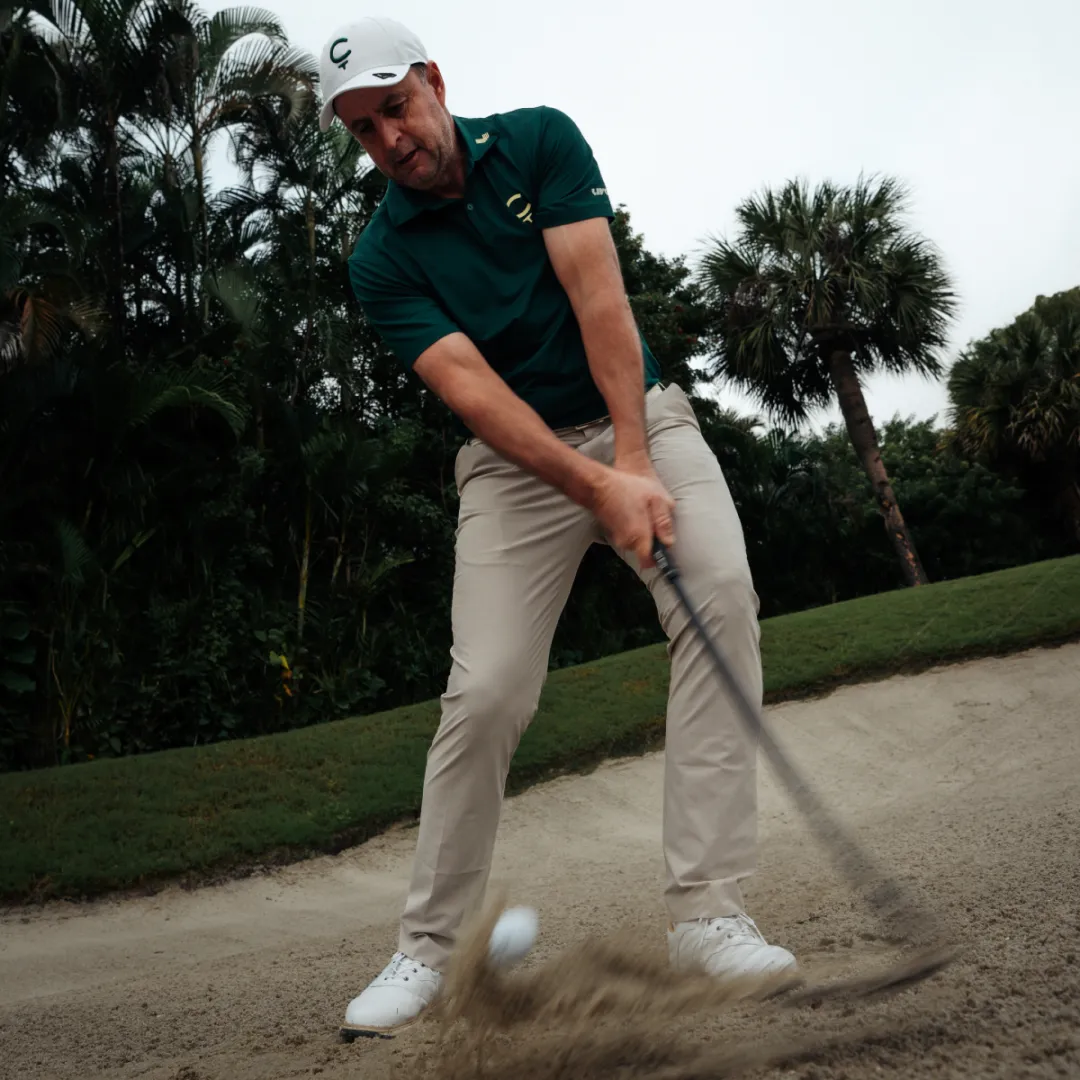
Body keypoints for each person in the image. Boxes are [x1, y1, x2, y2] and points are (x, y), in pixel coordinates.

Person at [316, 16, 798, 1039]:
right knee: (486, 688)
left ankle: (709, 914)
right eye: (364, 130)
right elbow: (477, 397)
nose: (390, 139)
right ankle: (427, 954)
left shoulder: (539, 141)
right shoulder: (380, 259)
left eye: (395, 107)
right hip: (516, 466)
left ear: (436, 84)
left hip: (637, 420)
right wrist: (591, 486)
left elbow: (600, 299)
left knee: (718, 594)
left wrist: (630, 464)